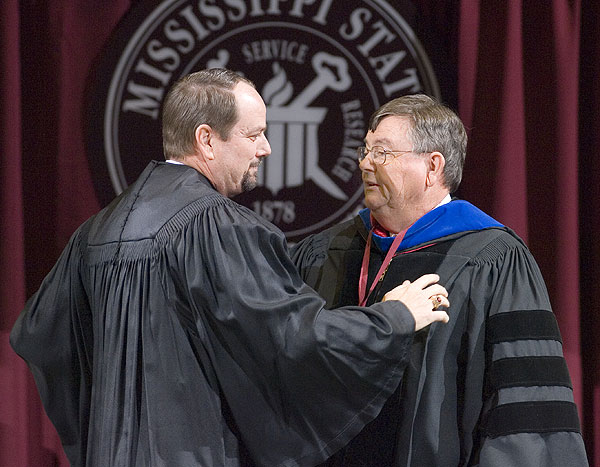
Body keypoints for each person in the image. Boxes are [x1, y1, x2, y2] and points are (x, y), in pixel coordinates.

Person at [9, 70, 450, 467]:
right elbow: (294, 339)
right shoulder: (216, 226)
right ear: (206, 139)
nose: (266, 148)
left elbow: (36, 334)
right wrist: (394, 317)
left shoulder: (96, 231)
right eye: (254, 134)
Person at [291, 94, 589, 466]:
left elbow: (521, 412)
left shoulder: (493, 259)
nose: (365, 163)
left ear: (432, 166)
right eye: (365, 150)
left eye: (382, 153)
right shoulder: (323, 252)